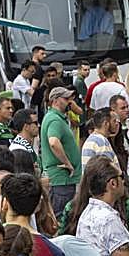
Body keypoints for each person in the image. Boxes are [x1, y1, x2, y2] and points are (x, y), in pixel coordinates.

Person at [40, 87, 80, 215]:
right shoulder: (54, 119)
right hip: (61, 180)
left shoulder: (55, 117)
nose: (70, 102)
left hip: (62, 180)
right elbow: (53, 142)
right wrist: (67, 163)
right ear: (56, 101)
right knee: (61, 218)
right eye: (66, 98)